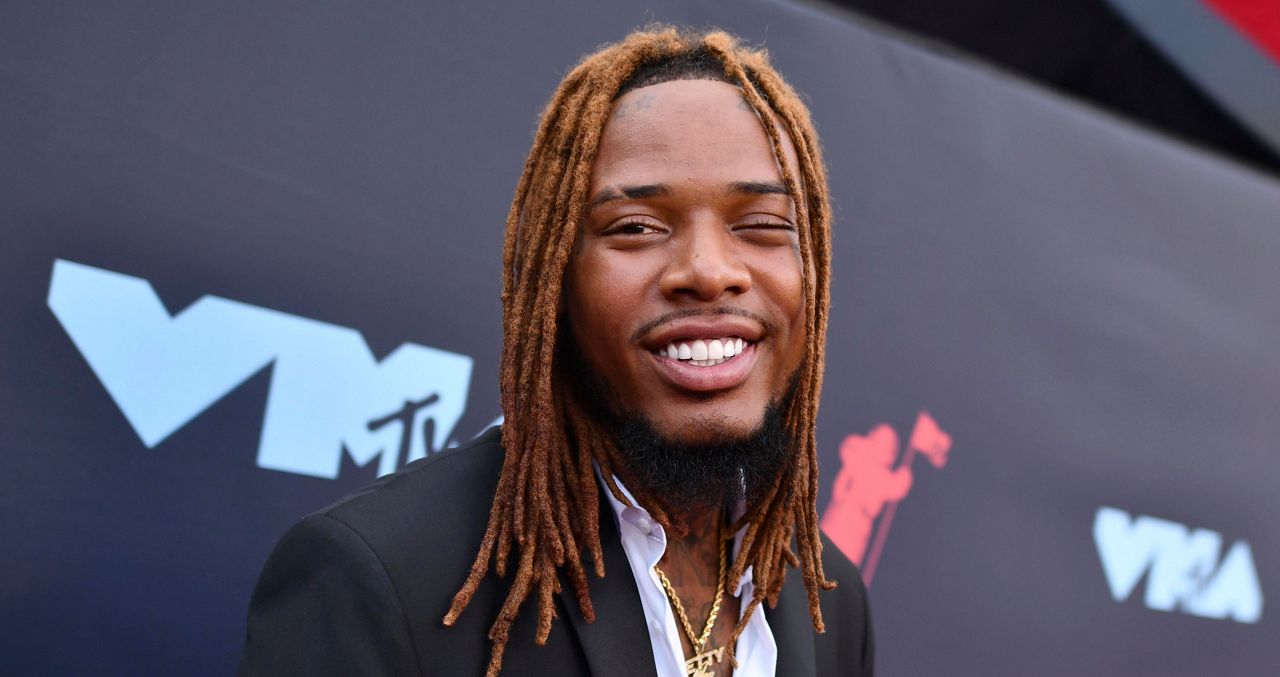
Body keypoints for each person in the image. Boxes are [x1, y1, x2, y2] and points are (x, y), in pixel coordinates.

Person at [238, 26, 874, 677]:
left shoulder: (831, 599)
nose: (709, 271)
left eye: (762, 226)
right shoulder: (378, 579)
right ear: (556, 279)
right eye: (636, 228)